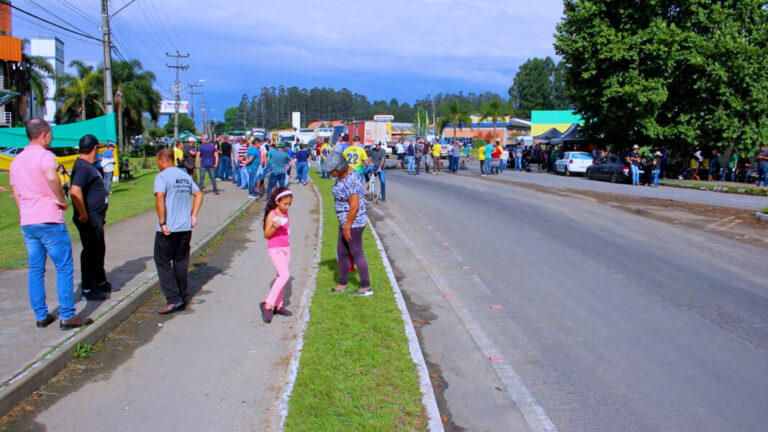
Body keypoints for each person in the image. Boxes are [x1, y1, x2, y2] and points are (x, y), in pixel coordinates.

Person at [9, 119, 92, 329]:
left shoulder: (16, 161)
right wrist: (61, 200)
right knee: (63, 267)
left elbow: (15, 192)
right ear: (44, 134)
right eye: (50, 135)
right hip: (49, 219)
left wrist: (24, 212)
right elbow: (52, 177)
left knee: (36, 269)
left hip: (28, 221)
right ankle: (67, 315)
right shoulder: (45, 156)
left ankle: (41, 315)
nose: (51, 139)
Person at [153, 148, 203, 314]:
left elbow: (159, 197)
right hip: (185, 227)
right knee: (181, 262)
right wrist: (193, 215)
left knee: (163, 262)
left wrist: (162, 222)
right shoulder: (184, 175)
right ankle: (182, 295)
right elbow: (198, 193)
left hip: (168, 228)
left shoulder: (162, 176)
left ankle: (173, 298)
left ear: (161, 160)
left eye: (157, 161)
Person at [70, 134, 113, 300]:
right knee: (90, 252)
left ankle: (99, 280)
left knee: (98, 249)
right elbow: (75, 191)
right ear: (94, 148)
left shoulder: (89, 165)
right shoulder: (82, 166)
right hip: (89, 217)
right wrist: (83, 213)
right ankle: (88, 287)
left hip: (96, 216)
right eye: (98, 149)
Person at [326, 152, 372, 297]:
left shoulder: (352, 180)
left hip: (353, 223)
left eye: (332, 170)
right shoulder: (342, 176)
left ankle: (366, 286)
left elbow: (354, 207)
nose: (330, 173)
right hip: (345, 222)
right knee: (342, 252)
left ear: (339, 168)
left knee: (356, 252)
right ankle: (343, 282)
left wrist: (347, 226)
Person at [259, 187, 294, 324]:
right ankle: (267, 304)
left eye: (289, 204)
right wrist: (274, 226)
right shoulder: (273, 214)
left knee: (282, 277)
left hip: (286, 247)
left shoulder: (286, 213)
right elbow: (266, 234)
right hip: (275, 248)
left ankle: (278, 305)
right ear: (277, 201)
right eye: (285, 204)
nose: (287, 206)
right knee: (285, 275)